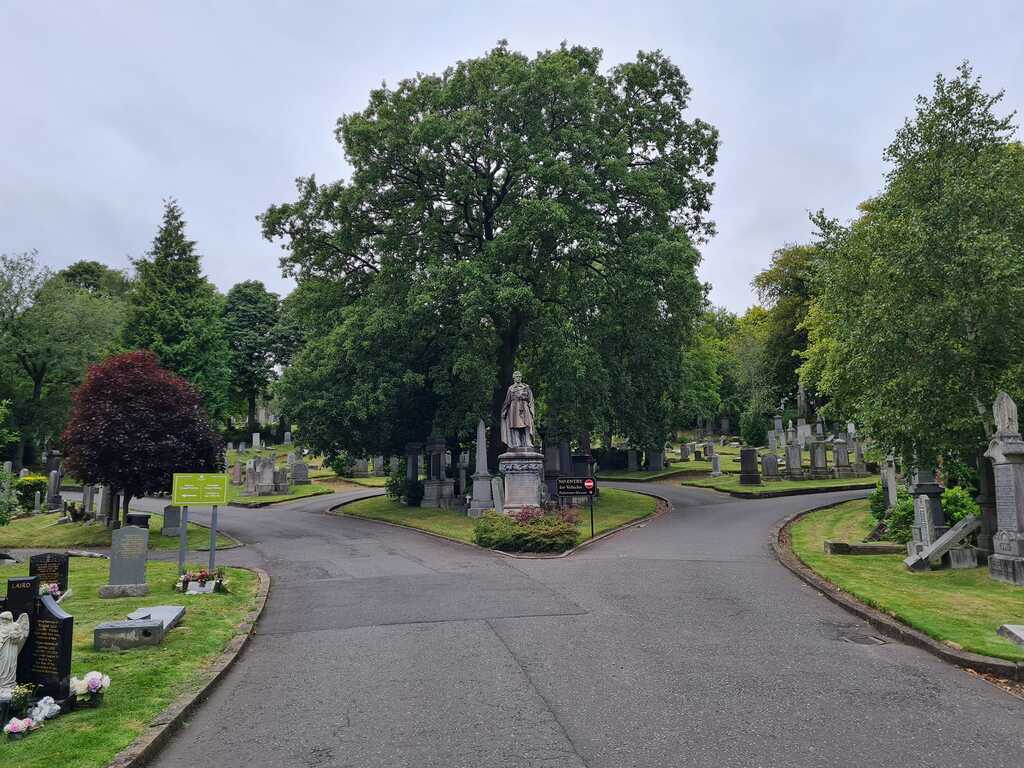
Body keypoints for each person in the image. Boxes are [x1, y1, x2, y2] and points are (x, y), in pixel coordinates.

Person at [500, 371, 536, 449]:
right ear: (514, 378)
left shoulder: (526, 387)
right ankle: (516, 442)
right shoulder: (511, 389)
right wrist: (504, 411)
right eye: (517, 376)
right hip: (514, 409)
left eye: (520, 376)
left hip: (524, 407)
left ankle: (527, 441)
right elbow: (507, 401)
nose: (518, 378)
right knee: (515, 426)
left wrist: (531, 409)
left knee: (527, 424)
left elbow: (531, 399)